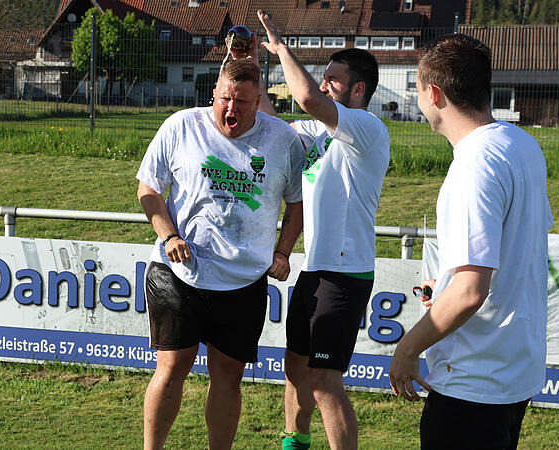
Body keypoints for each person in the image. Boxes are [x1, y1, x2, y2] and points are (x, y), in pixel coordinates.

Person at [388, 34, 553, 449]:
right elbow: (515, 250)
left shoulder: (473, 166)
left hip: (473, 381)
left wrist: (407, 349)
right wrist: (443, 288)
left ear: (435, 94)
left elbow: (470, 291)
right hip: (512, 369)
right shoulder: (523, 145)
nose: (419, 99)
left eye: (418, 89)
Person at [137, 58, 305, 450]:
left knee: (227, 376)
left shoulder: (282, 139)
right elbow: (148, 188)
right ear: (213, 93)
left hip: (244, 280)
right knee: (172, 367)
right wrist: (168, 235)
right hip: (178, 271)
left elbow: (297, 204)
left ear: (258, 100)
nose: (231, 109)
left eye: (242, 102)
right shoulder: (181, 126)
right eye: (225, 99)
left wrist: (283, 251)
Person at [257, 11, 390, 450]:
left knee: (324, 381)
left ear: (359, 89)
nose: (324, 83)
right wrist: (249, 67)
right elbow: (271, 122)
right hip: (315, 270)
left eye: (334, 79)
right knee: (296, 369)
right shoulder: (321, 132)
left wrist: (282, 49)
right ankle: (294, 445)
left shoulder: (368, 129)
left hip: (346, 274)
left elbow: (310, 98)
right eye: (323, 76)